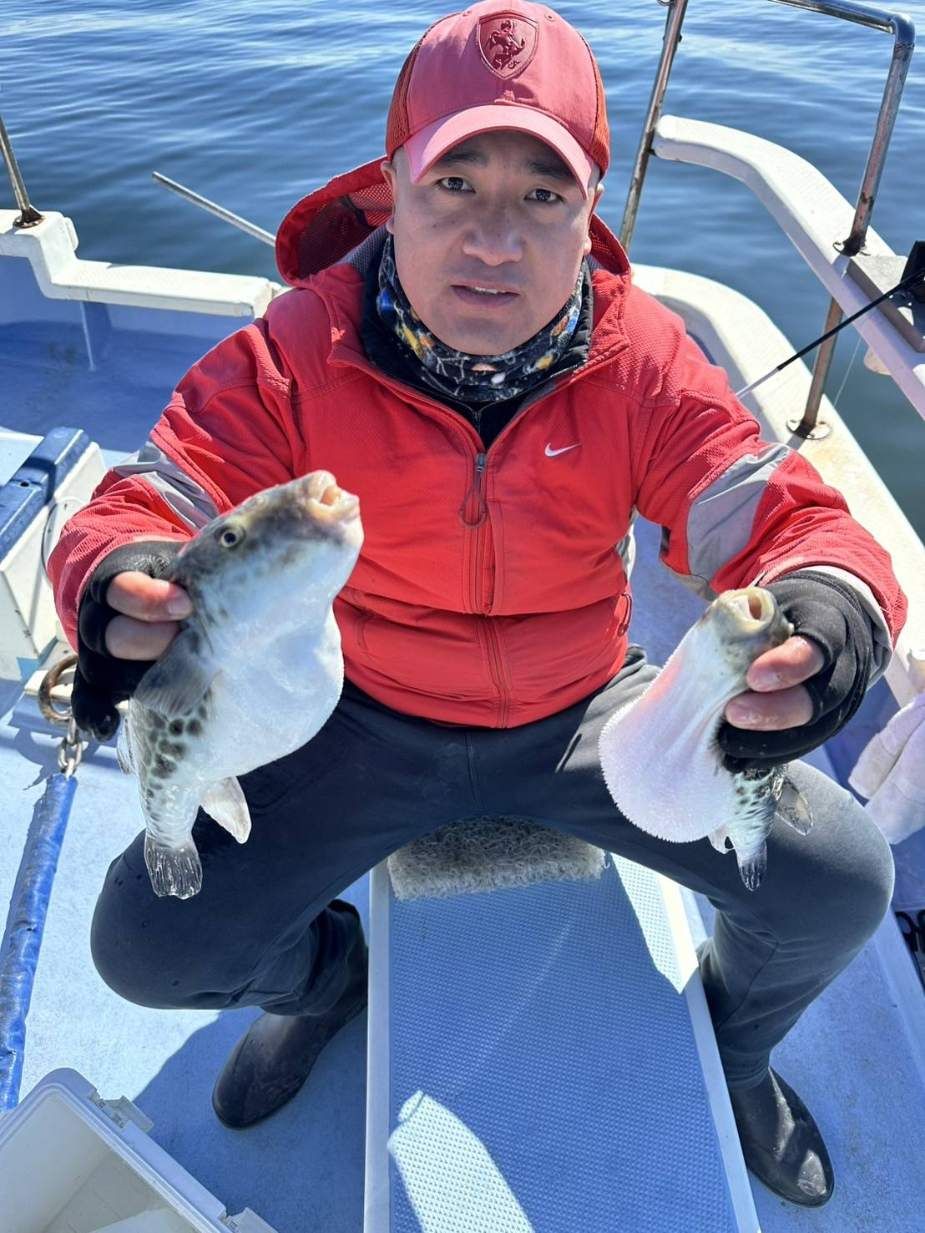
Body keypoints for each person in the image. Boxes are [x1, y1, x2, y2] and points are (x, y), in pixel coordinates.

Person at [48, 0, 905, 1210]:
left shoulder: (644, 359)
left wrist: (831, 615)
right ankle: (324, 983)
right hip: (352, 717)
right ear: (390, 190)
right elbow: (161, 493)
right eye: (455, 183)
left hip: (583, 714)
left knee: (839, 881)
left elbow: (779, 516)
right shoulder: (292, 352)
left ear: (588, 214)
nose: (494, 241)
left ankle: (738, 1044)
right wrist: (115, 576)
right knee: (148, 945)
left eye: (541, 196)